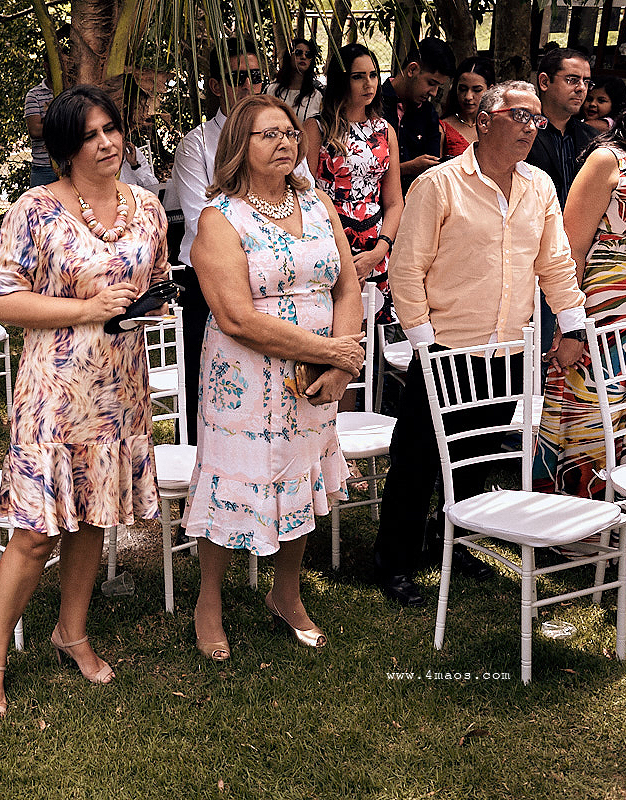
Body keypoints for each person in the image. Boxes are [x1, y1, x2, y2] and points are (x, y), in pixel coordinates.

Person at [0, 85, 168, 719]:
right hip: (54, 394)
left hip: (120, 389)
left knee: (94, 517)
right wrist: (86, 310)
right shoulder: (35, 209)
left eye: (111, 128)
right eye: (90, 135)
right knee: (34, 535)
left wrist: (150, 304)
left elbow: (155, 279)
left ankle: (71, 632)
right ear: (65, 147)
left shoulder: (148, 207)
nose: (107, 142)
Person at [374, 81, 588, 607]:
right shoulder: (439, 185)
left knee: (476, 454)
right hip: (446, 348)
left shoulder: (538, 186)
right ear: (486, 121)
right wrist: (426, 345)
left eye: (536, 120)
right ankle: (393, 562)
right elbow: (406, 271)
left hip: (509, 349)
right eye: (520, 115)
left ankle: (454, 540)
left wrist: (573, 323)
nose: (531, 127)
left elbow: (555, 264)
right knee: (419, 457)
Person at [185, 95, 363, 658]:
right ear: (240, 145)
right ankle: (208, 601)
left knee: (303, 472)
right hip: (244, 380)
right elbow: (237, 317)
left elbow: (347, 287)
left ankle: (286, 593)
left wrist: (339, 362)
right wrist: (332, 350)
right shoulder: (220, 220)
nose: (286, 141)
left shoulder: (318, 205)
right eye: (269, 134)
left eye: (290, 132)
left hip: (316, 377)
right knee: (231, 481)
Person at [535, 100, 626, 497]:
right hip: (601, 312)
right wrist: (568, 322)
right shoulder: (607, 161)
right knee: (589, 410)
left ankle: (621, 526)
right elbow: (571, 248)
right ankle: (575, 524)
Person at [166, 36, 266, 445]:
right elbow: (200, 221)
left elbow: (305, 202)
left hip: (270, 280)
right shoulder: (197, 146)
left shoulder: (281, 136)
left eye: (255, 76)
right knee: (202, 388)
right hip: (208, 283)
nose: (247, 86)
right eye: (236, 77)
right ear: (214, 85)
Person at [305, 43, 403, 290]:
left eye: (373, 75)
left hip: (376, 245)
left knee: (376, 323)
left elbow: (394, 201)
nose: (369, 83)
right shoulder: (316, 129)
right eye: (358, 77)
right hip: (328, 240)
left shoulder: (385, 130)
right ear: (340, 81)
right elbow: (303, 197)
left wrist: (380, 250)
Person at [525, 48, 595, 353]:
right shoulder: (522, 131)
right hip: (530, 256)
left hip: (576, 259)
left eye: (586, 81)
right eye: (571, 79)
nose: (581, 88)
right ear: (544, 81)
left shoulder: (592, 139)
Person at [381, 37, 456, 192]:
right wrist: (407, 168)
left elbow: (432, 166)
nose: (434, 93)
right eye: (431, 83)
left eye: (438, 87)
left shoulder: (429, 114)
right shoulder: (374, 104)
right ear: (412, 70)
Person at [440, 57, 494, 158]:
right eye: (463, 89)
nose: (468, 97)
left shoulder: (497, 126)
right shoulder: (443, 128)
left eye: (477, 90)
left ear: (490, 90)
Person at [267, 37, 325, 123]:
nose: (303, 57)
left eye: (308, 54)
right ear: (289, 56)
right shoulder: (271, 90)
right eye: (298, 53)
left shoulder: (317, 96)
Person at [25, 69, 56, 187]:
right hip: (43, 168)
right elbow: (35, 130)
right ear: (46, 66)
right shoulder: (34, 94)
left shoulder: (70, 90)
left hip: (70, 166)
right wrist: (64, 125)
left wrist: (45, 122)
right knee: (38, 205)